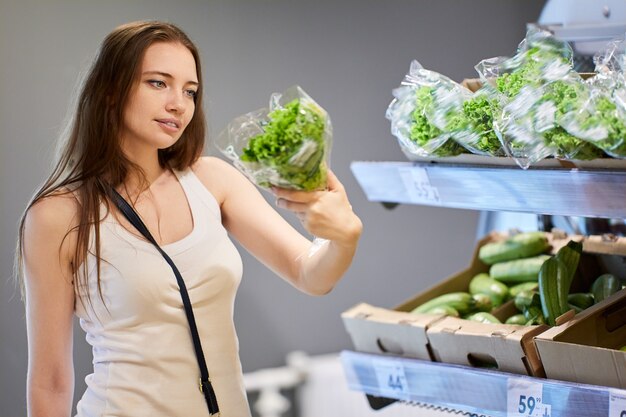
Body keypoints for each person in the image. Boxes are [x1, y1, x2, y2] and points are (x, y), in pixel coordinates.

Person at [17, 20, 362, 417]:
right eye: (158, 83)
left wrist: (344, 237)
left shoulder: (213, 180)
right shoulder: (58, 215)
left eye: (190, 91)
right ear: (110, 90)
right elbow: (51, 381)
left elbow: (309, 274)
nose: (178, 103)